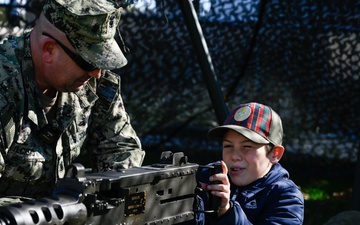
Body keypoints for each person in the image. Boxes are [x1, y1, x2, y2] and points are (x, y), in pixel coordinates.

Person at [0, 0, 145, 203]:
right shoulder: (5, 85)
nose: (97, 73)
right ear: (49, 49)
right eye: (88, 61)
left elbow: (120, 148)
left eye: (100, 61)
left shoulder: (95, 83)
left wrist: (108, 201)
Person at [192, 102, 304, 224]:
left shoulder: (286, 196)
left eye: (247, 146)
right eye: (228, 145)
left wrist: (227, 212)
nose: (234, 156)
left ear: (275, 154)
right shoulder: (207, 177)